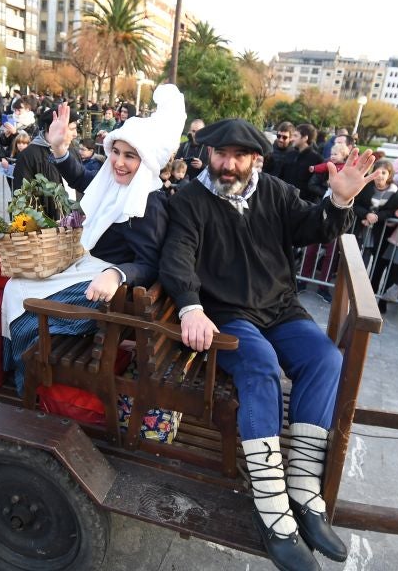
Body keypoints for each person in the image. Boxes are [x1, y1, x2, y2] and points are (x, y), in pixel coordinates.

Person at [159, 117, 378, 570]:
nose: (228, 164)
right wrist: (190, 306)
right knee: (259, 365)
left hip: (279, 308)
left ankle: (302, 487)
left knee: (325, 359)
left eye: (238, 156)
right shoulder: (191, 200)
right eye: (221, 154)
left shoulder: (276, 191)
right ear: (209, 154)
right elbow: (177, 256)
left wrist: (339, 200)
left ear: (254, 159)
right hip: (227, 313)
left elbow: (314, 226)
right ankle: (273, 509)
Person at [2, 85, 184, 395]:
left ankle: (28, 387)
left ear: (147, 161)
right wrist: (59, 148)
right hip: (90, 268)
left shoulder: (149, 201)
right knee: (15, 287)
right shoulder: (116, 182)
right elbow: (82, 178)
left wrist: (115, 274)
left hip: (108, 291)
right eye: (116, 152)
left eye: (130, 156)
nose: (119, 162)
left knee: (26, 309)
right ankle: (20, 372)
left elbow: (150, 263)